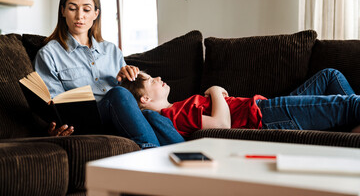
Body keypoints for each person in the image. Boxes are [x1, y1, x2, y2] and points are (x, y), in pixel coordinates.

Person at [34, 0, 184, 148]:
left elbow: (132, 98)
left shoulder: (111, 50)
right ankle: (150, 155)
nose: (79, 16)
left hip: (119, 118)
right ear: (63, 11)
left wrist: (127, 79)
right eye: (72, 8)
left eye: (86, 9)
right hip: (86, 123)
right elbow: (53, 104)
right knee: (117, 94)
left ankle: (193, 157)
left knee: (151, 115)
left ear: (96, 14)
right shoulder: (49, 54)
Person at [121, 68, 360, 138]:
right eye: (152, 80)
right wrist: (214, 91)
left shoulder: (177, 109)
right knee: (351, 105)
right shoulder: (172, 114)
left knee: (330, 75)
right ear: (145, 99)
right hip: (266, 116)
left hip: (266, 109)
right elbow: (222, 124)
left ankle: (352, 132)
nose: (159, 78)